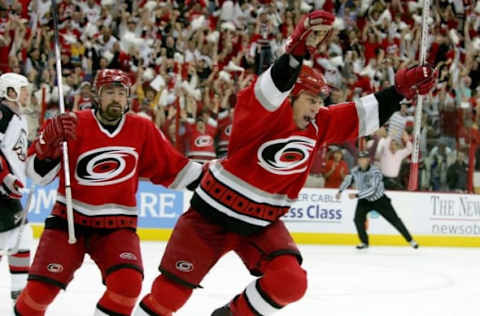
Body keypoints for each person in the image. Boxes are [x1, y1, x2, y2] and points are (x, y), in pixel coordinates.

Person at [134, 10, 436, 316]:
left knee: (291, 282)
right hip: (210, 217)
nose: (318, 107)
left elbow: (359, 115)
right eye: (311, 99)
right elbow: (271, 87)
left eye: (321, 100)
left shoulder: (320, 124)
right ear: (290, 97)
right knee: (168, 296)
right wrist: (295, 53)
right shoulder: (261, 113)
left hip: (261, 223)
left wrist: (400, 92)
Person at [14, 69, 203, 316]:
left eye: (121, 93)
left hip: (117, 226)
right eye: (109, 92)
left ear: (128, 98)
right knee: (39, 293)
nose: (116, 98)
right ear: (96, 96)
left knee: (128, 284)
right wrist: (47, 146)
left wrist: (216, 176)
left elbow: (175, 168)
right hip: (69, 220)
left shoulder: (142, 128)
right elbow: (37, 177)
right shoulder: (72, 123)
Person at [336, 151, 419, 250]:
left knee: (395, 220)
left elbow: (372, 190)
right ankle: (364, 242)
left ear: (368, 160)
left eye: (364, 159)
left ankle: (410, 240)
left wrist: (357, 195)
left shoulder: (375, 171)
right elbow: (348, 180)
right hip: (364, 200)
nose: (362, 161)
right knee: (358, 220)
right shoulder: (355, 170)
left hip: (379, 200)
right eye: (360, 159)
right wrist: (340, 191)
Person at [0, 73, 33, 303]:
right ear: (9, 91)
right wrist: (4, 178)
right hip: (2, 191)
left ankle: (19, 291)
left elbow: (21, 154)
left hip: (9, 192)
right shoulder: (2, 113)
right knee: (11, 240)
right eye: (22, 89)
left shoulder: (19, 117)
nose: (27, 93)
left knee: (22, 239)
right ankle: (20, 291)